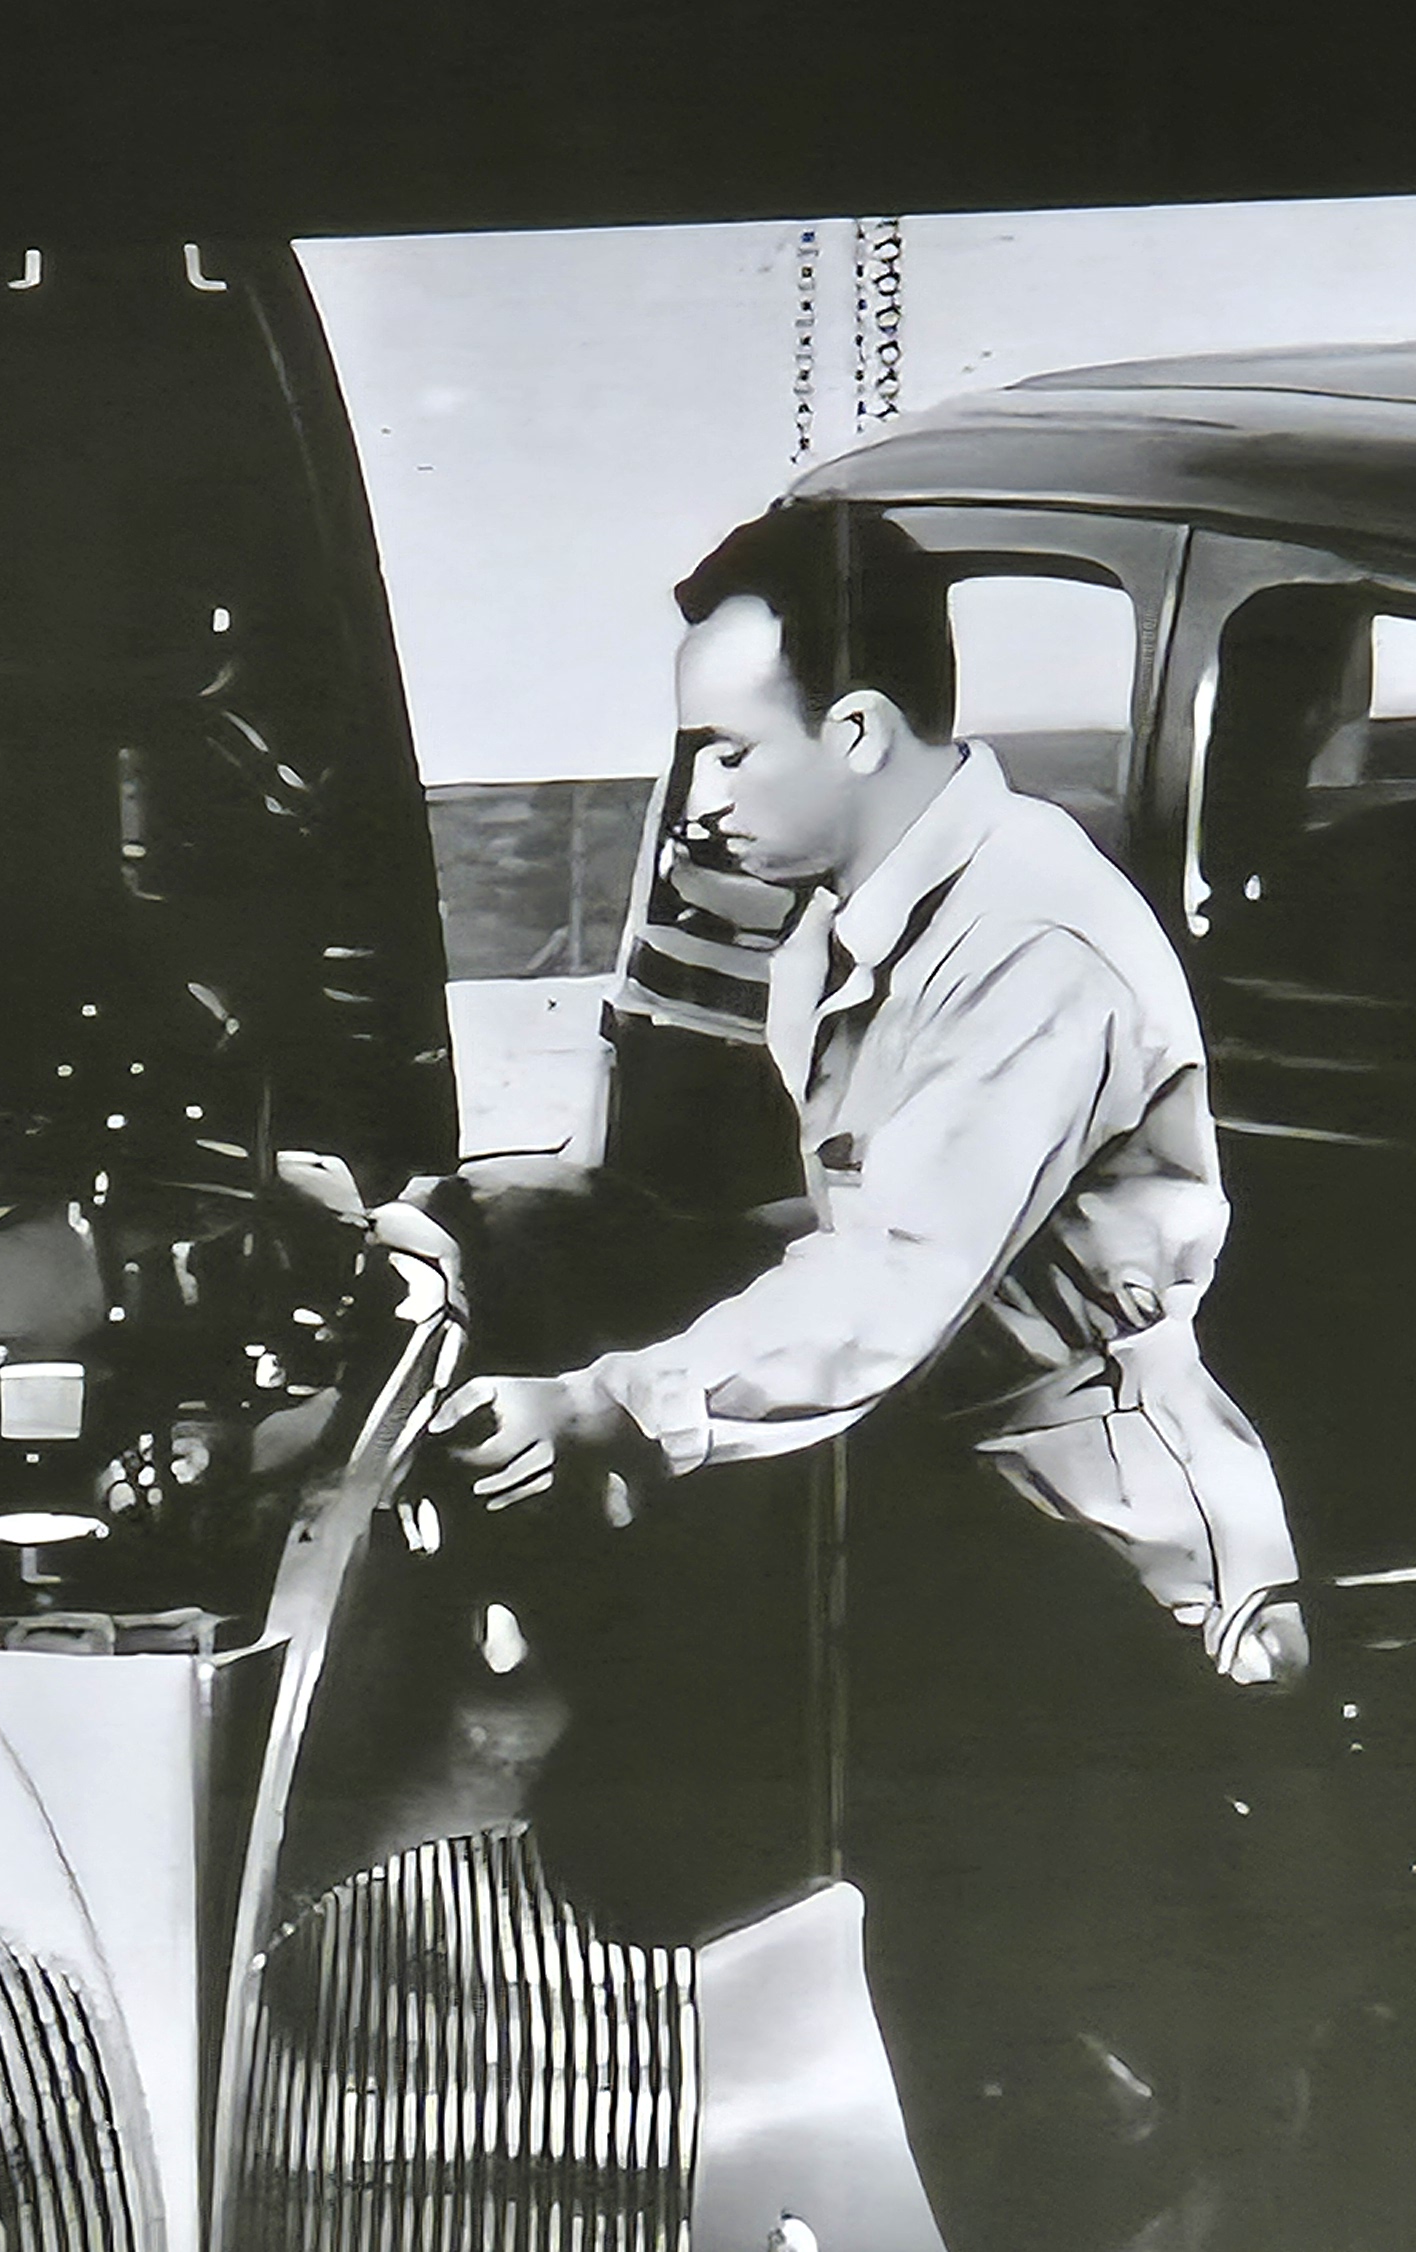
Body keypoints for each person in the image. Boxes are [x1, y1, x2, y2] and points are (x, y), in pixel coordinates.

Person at [436, 503, 1309, 2249]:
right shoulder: (862, 917)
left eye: (725, 749)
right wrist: (494, 1220)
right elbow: (862, 1213)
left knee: (1035, 2036)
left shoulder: (1030, 947)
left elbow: (889, 1284)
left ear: (854, 730)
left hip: (1094, 1535)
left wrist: (604, 1401)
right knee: (902, 1961)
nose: (696, 800)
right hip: (950, 1498)